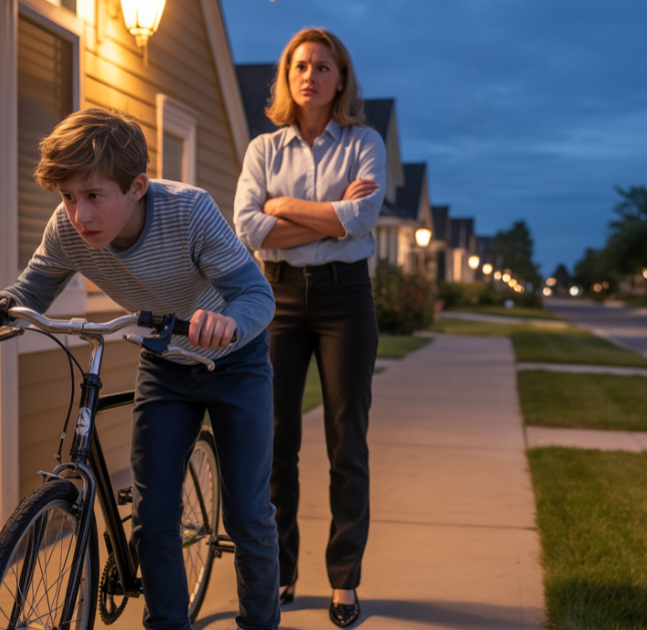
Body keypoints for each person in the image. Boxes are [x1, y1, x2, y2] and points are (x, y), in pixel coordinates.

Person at [0, 108, 280, 630]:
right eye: (67, 197)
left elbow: (256, 294)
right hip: (165, 364)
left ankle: (261, 622)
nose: (79, 215)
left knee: (248, 513)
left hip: (233, 360)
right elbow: (29, 292)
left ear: (137, 187)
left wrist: (228, 325)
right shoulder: (66, 229)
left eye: (93, 196)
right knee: (152, 518)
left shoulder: (189, 212)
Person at [233, 27, 385, 629]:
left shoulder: (365, 142)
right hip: (277, 297)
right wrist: (331, 220)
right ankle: (281, 569)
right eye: (300, 65)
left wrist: (282, 208)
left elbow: (362, 216)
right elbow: (247, 227)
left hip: (348, 299)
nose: (310, 75)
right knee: (274, 442)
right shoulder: (263, 150)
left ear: (340, 79)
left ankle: (344, 579)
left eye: (323, 67)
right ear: (286, 76)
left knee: (347, 440)